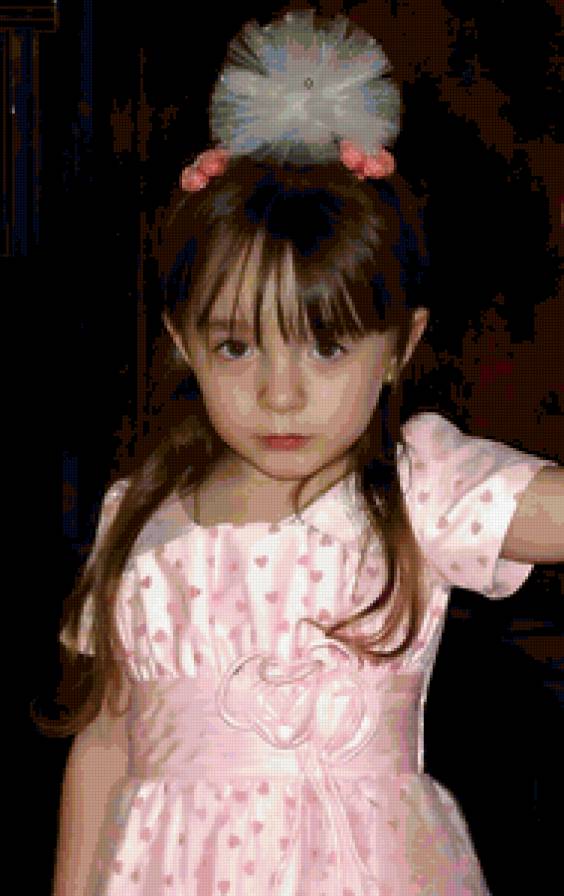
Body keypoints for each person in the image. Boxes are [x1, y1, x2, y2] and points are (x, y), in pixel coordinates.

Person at [43, 9, 563, 896]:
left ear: (400, 345)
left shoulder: (417, 487)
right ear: (183, 341)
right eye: (237, 346)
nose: (279, 394)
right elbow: (102, 744)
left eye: (325, 347)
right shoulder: (137, 512)